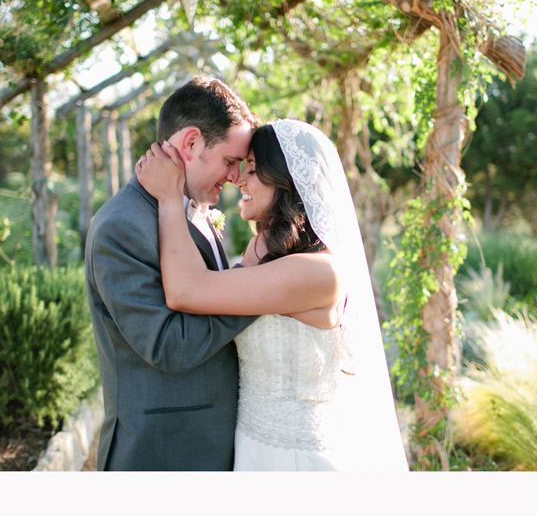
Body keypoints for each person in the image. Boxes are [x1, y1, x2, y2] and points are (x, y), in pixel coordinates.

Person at [136, 119, 409, 471]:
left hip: (296, 459)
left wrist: (169, 197)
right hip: (251, 447)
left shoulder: (319, 272)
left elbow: (187, 291)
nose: (238, 179)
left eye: (251, 169)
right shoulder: (263, 253)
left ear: (286, 182)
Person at [84, 76, 259, 470]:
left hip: (209, 441)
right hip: (163, 450)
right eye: (231, 161)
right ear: (191, 142)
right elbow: (168, 344)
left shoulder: (185, 206)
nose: (235, 177)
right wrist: (260, 290)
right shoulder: (121, 226)